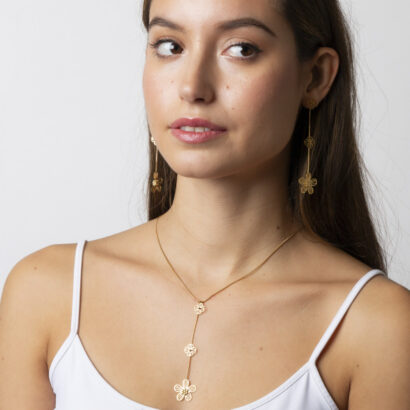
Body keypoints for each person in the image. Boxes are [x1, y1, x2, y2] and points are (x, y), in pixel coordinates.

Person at [0, 0, 409, 409]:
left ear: (315, 77)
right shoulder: (46, 292)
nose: (192, 88)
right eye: (170, 46)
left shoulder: (378, 327)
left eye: (241, 49)